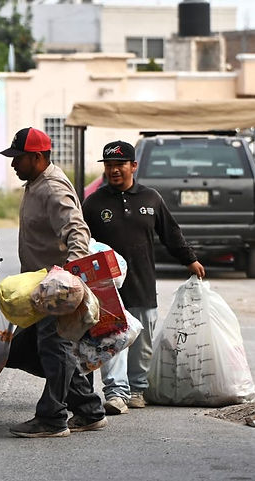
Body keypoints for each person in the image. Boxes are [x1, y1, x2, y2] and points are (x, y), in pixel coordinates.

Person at [82, 140, 205, 415]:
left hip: (143, 282)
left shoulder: (151, 199)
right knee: (111, 338)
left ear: (133, 166)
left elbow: (171, 234)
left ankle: (137, 389)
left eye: (120, 164)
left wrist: (190, 259)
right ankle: (116, 393)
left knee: (142, 340)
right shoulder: (93, 202)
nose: (114, 170)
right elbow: (80, 240)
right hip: (107, 288)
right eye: (109, 165)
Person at [1, 127, 107, 438]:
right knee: (24, 350)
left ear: (37, 157)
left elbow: (77, 231)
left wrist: (66, 277)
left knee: (53, 348)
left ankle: (52, 418)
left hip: (55, 289)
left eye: (18, 158)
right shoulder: (35, 183)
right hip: (39, 289)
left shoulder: (52, 187)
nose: (13, 164)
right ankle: (88, 409)